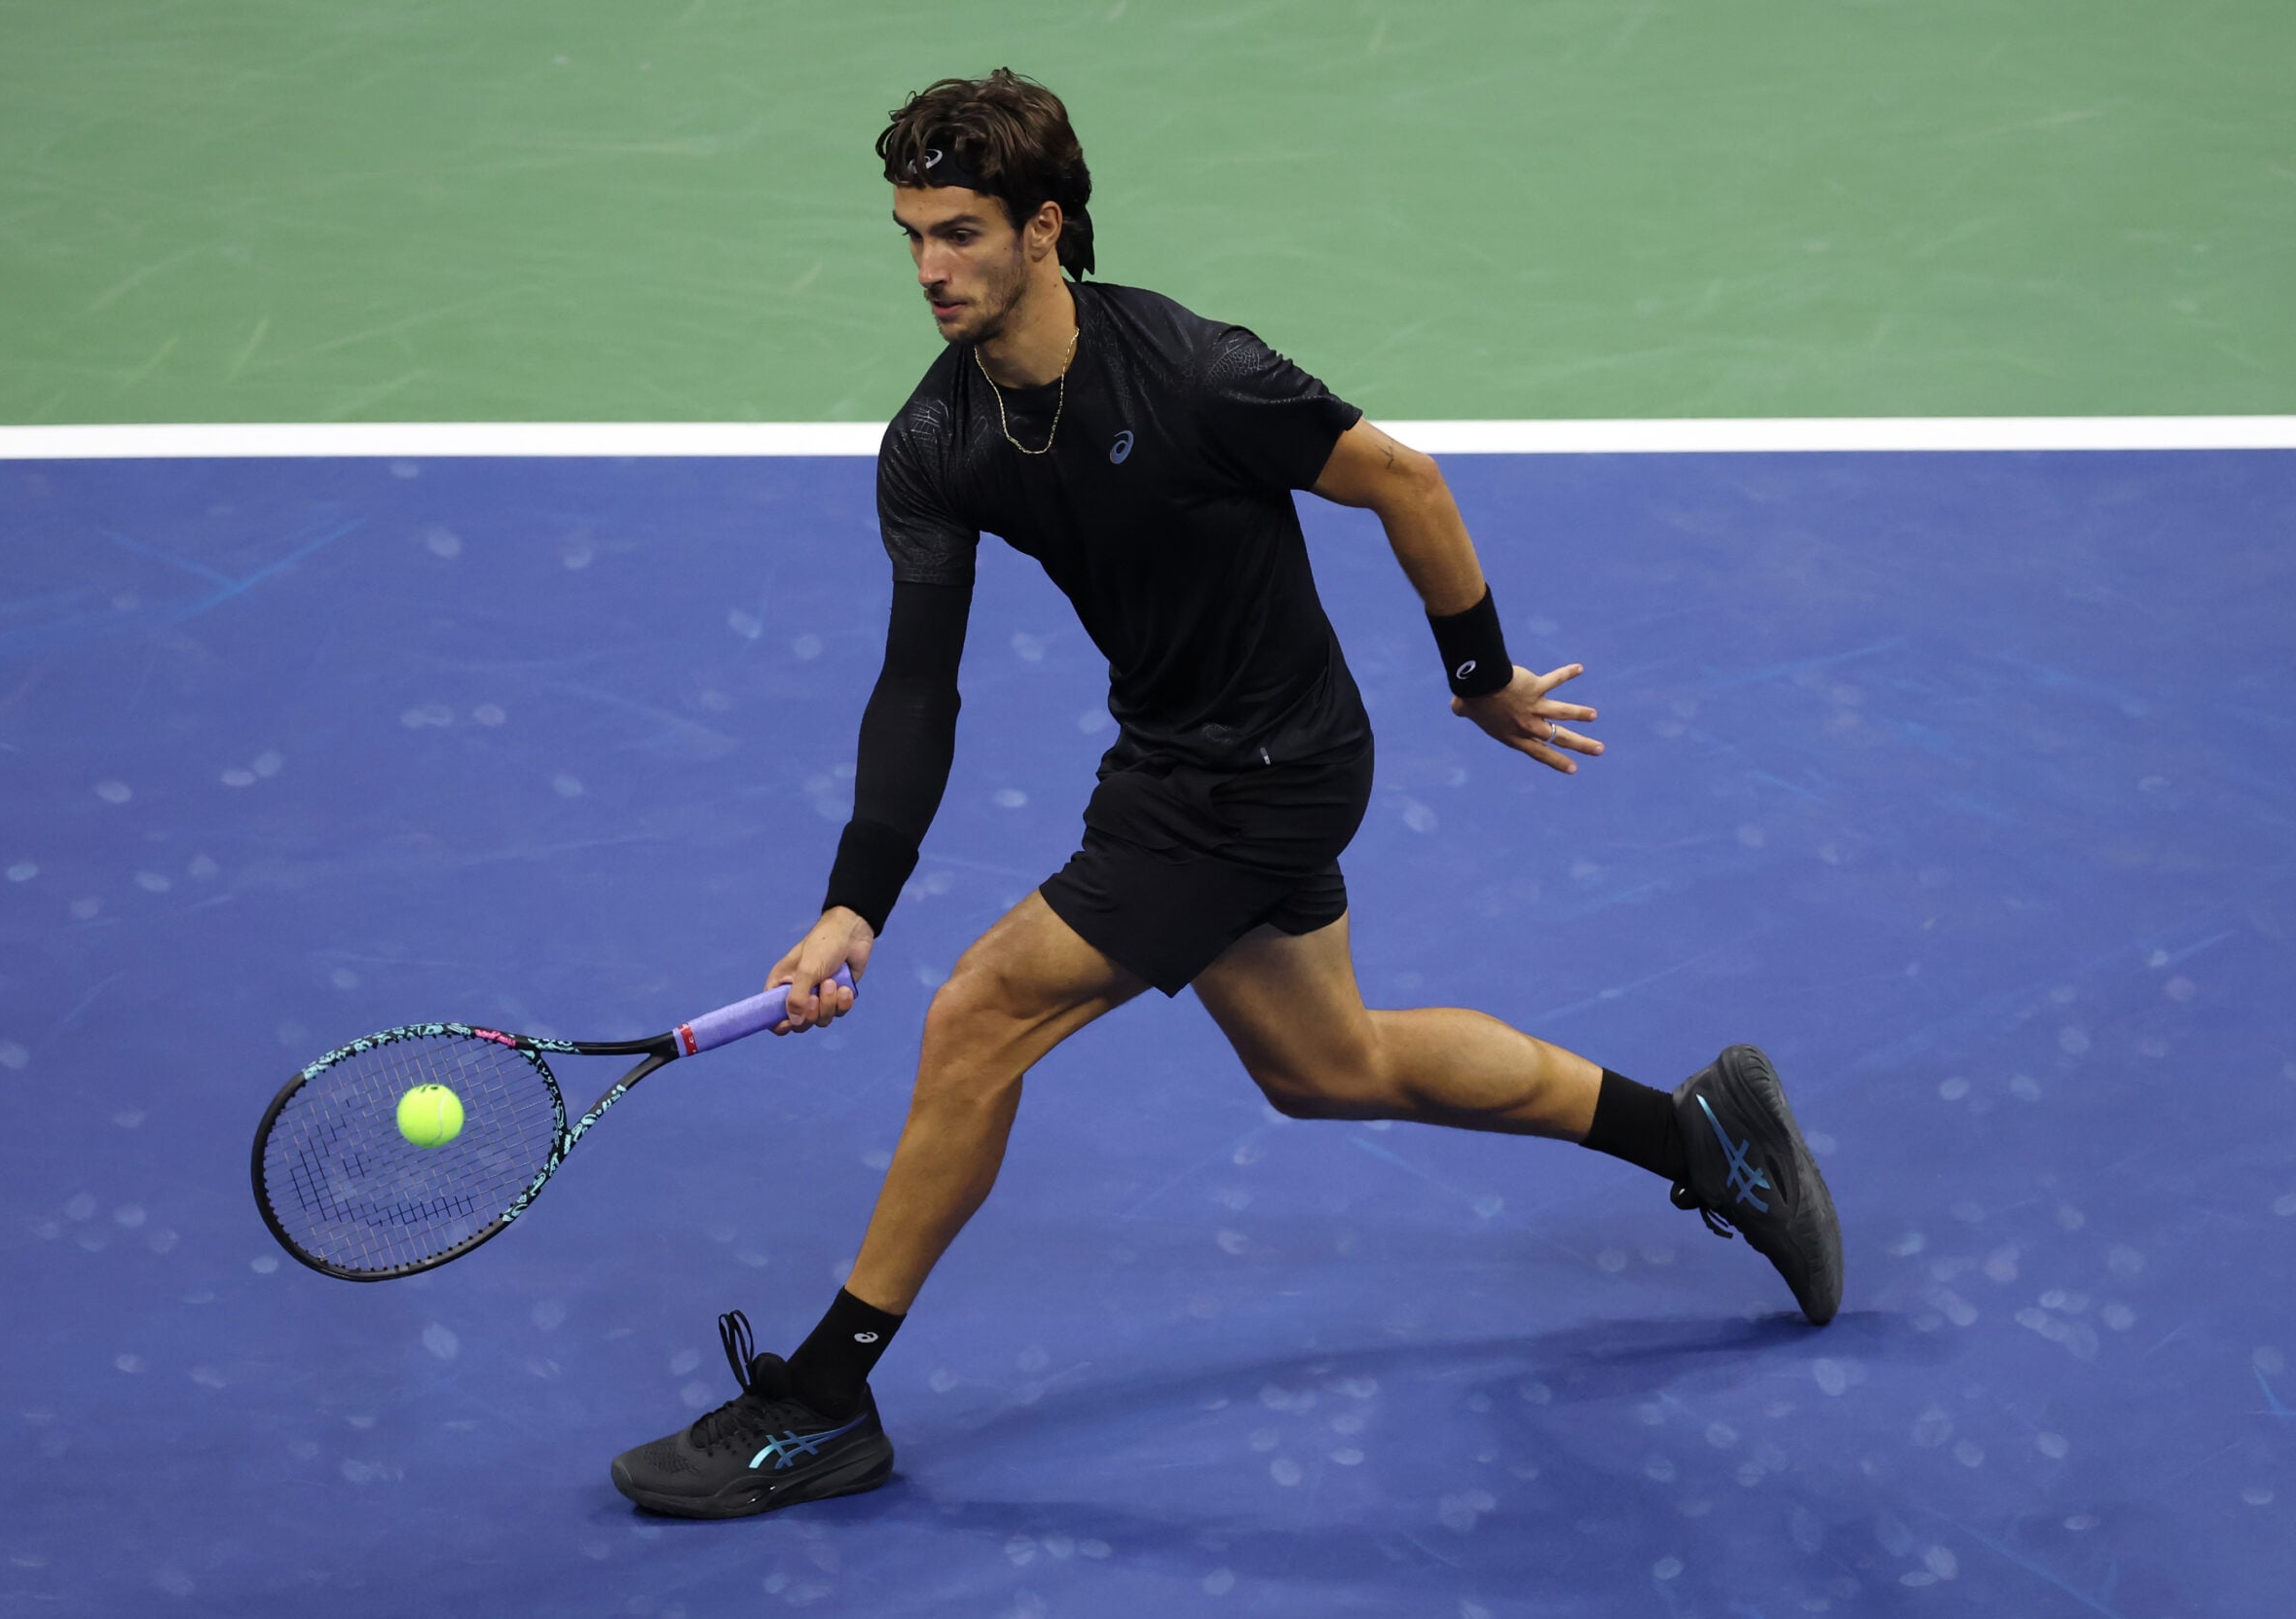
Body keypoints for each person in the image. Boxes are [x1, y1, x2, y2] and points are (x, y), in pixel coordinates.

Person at [610, 69, 1840, 1521]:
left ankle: (824, 1402)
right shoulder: (938, 442)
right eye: (912, 237)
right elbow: (918, 688)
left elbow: (1405, 481)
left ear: (1043, 228)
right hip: (1176, 758)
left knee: (978, 1019)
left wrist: (1479, 679)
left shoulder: (1195, 372)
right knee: (1329, 1066)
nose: (930, 268)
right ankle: (1702, 1137)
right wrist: (852, 904)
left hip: (1269, 774)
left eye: (960, 233)